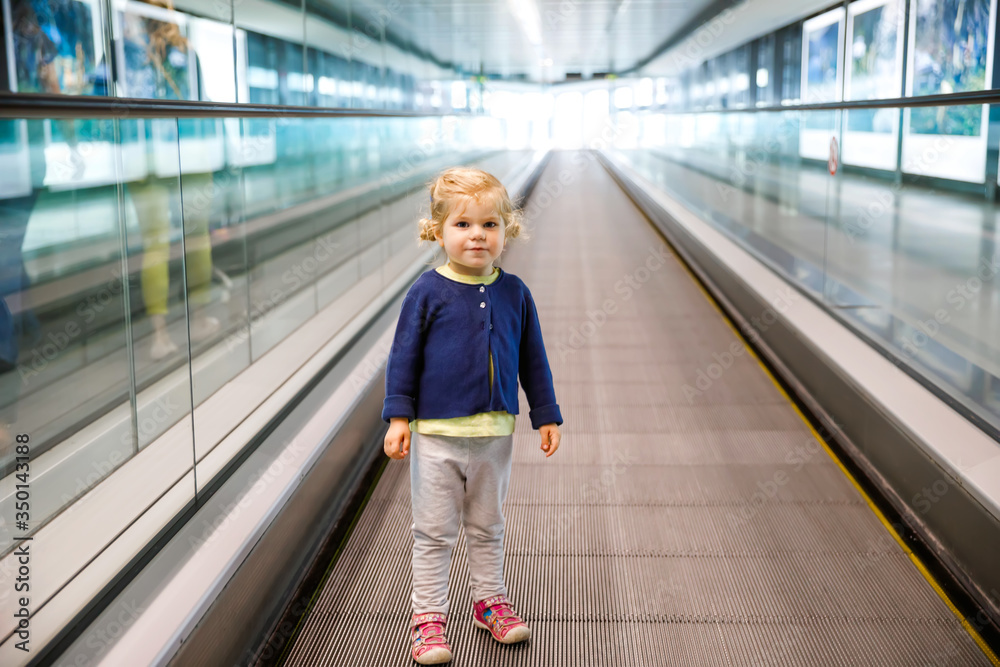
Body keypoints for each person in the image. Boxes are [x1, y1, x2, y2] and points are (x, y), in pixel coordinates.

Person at [382, 167, 563, 665]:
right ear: (437, 231)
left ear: (508, 231)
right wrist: (399, 417)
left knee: (487, 525)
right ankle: (428, 620)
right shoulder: (426, 292)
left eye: (490, 224)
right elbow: (404, 358)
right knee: (434, 531)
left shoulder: (515, 293)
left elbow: (534, 359)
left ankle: (489, 603)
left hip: (494, 436)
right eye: (463, 225)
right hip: (438, 435)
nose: (477, 235)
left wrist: (545, 413)